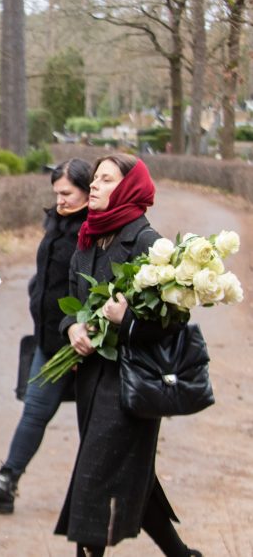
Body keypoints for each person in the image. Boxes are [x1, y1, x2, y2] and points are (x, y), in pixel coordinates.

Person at [57, 154, 202, 557]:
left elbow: (177, 315)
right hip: (91, 379)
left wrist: (128, 321)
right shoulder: (88, 235)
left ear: (129, 188)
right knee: (128, 473)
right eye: (96, 180)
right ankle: (182, 554)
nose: (96, 187)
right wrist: (71, 328)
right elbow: (68, 303)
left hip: (131, 381)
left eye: (106, 180)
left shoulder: (146, 242)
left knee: (95, 478)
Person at [0, 158, 92, 514]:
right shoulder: (56, 221)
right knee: (35, 410)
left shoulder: (93, 229)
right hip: (49, 338)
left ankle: (94, 494)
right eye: (56, 192)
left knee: (92, 424)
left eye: (68, 193)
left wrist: (82, 330)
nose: (60, 200)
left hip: (82, 344)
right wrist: (34, 293)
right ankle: (6, 481)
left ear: (88, 190)